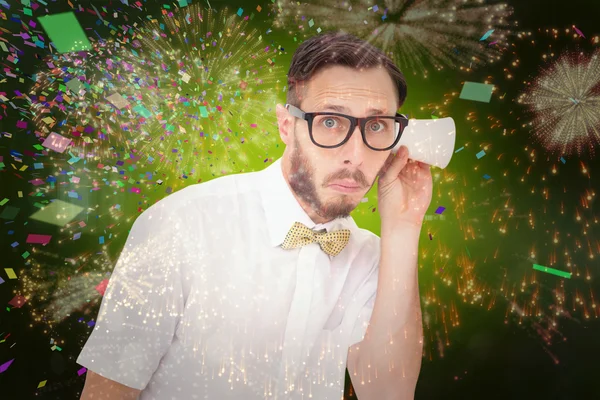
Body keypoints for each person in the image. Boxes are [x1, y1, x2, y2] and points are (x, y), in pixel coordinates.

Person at [77, 30, 433, 400]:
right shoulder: (181, 224)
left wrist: (404, 227)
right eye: (330, 122)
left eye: (376, 126)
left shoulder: (373, 256)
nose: (356, 155)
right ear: (286, 125)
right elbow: (107, 393)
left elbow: (389, 392)